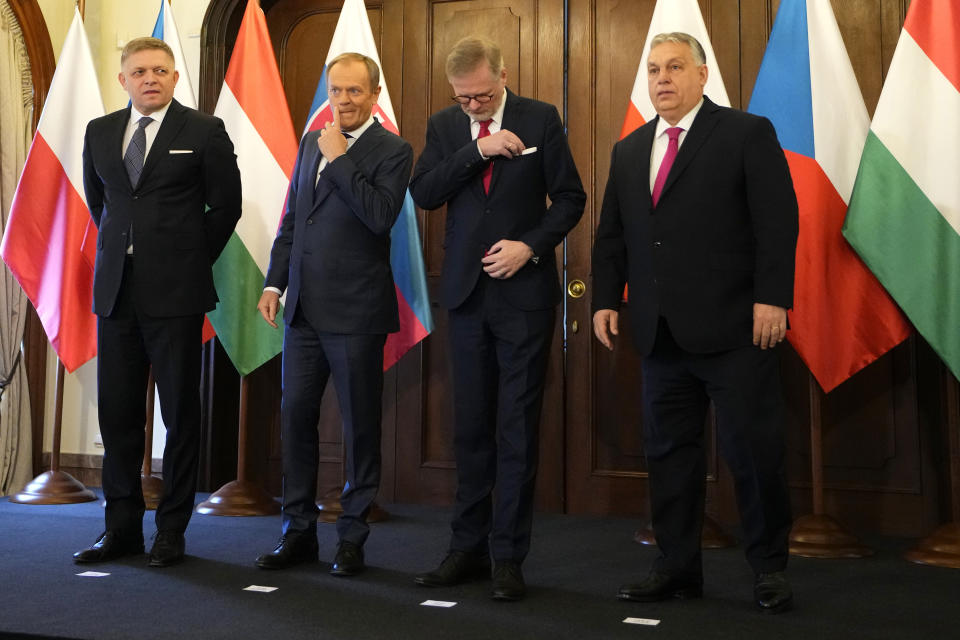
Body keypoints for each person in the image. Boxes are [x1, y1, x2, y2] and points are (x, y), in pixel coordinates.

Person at [592, 32, 798, 614]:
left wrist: (772, 299)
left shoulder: (744, 133)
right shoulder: (630, 149)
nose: (662, 79)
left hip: (736, 328)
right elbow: (613, 235)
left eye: (675, 67)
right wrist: (607, 299)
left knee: (754, 455)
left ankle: (769, 569)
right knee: (668, 457)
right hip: (659, 333)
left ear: (702, 75)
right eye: (654, 69)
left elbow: (777, 224)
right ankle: (678, 566)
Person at [410, 37, 585, 601]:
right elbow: (424, 191)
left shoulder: (540, 117)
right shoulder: (445, 126)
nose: (473, 107)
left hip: (523, 299)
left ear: (502, 76)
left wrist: (529, 248)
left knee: (515, 428)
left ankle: (508, 556)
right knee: (470, 428)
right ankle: (466, 549)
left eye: (482, 96)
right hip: (464, 299)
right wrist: (478, 151)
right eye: (463, 99)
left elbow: (570, 199)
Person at [76, 37, 241, 567]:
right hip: (116, 295)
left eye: (161, 71)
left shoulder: (203, 131)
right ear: (123, 79)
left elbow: (227, 207)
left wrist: (189, 259)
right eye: (140, 71)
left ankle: (172, 530)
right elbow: (99, 202)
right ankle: (120, 528)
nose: (151, 79)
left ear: (174, 78)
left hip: (175, 295)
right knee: (118, 416)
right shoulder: (100, 132)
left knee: (180, 414)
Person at [254, 53, 413, 577]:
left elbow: (379, 217)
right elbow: (294, 219)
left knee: (359, 428)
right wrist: (275, 282)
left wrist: (341, 158)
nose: (343, 101)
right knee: (296, 420)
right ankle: (297, 532)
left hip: (355, 313)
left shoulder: (393, 149)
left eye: (354, 92)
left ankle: (351, 539)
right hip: (301, 311)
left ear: (374, 94)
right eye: (336, 91)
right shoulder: (309, 142)